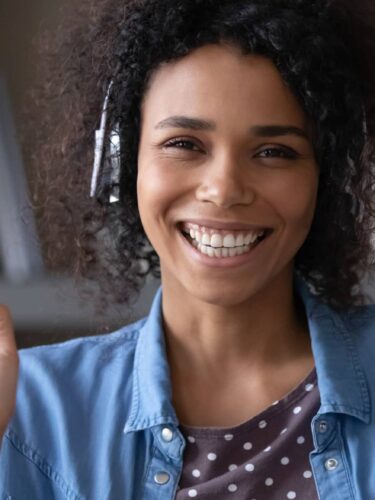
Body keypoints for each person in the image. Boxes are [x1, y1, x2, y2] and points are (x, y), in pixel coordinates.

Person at [0, 0, 375, 498]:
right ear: (122, 162)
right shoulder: (28, 407)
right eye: (184, 143)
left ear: (324, 181)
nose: (223, 189)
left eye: (274, 152)